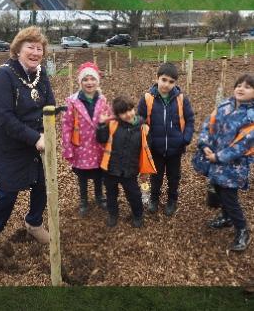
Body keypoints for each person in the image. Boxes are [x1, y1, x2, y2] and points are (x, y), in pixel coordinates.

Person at [0, 27, 54, 257]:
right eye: (30, 47)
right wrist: (35, 138)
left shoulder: (41, 75)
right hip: (11, 145)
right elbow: (4, 118)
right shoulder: (4, 75)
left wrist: (47, 131)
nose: (35, 52)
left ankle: (33, 223)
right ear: (18, 50)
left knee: (41, 186)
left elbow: (49, 106)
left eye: (39, 48)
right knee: (8, 193)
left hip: (38, 143)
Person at [193, 74, 254, 251]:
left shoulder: (250, 117)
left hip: (233, 168)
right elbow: (207, 125)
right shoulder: (224, 106)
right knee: (219, 191)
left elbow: (243, 145)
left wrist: (218, 157)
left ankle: (243, 230)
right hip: (215, 163)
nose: (241, 88)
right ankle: (227, 217)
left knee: (229, 198)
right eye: (239, 85)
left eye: (248, 87)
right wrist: (204, 145)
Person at [136, 62, 195, 216]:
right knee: (156, 177)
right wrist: (142, 126)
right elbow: (139, 117)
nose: (167, 84)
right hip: (156, 148)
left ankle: (172, 199)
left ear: (175, 83)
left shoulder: (181, 99)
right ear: (157, 78)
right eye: (164, 79)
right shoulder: (148, 98)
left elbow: (190, 119)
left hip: (175, 148)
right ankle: (154, 199)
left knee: (174, 177)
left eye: (171, 82)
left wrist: (186, 138)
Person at [97, 96, 156, 228]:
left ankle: (138, 215)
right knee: (111, 194)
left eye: (130, 110)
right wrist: (101, 125)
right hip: (111, 168)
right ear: (117, 115)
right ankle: (113, 214)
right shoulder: (113, 125)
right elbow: (101, 139)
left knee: (134, 194)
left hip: (130, 170)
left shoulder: (143, 128)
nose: (128, 114)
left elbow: (147, 150)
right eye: (123, 112)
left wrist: (144, 171)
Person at [60, 62, 110, 216]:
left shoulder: (102, 100)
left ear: (97, 81)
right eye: (85, 79)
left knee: (98, 173)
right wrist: (68, 147)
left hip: (98, 145)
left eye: (92, 79)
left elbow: (110, 121)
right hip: (80, 146)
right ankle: (83, 200)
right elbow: (67, 125)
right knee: (82, 175)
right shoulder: (72, 102)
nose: (89, 82)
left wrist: (105, 123)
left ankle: (99, 196)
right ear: (80, 82)